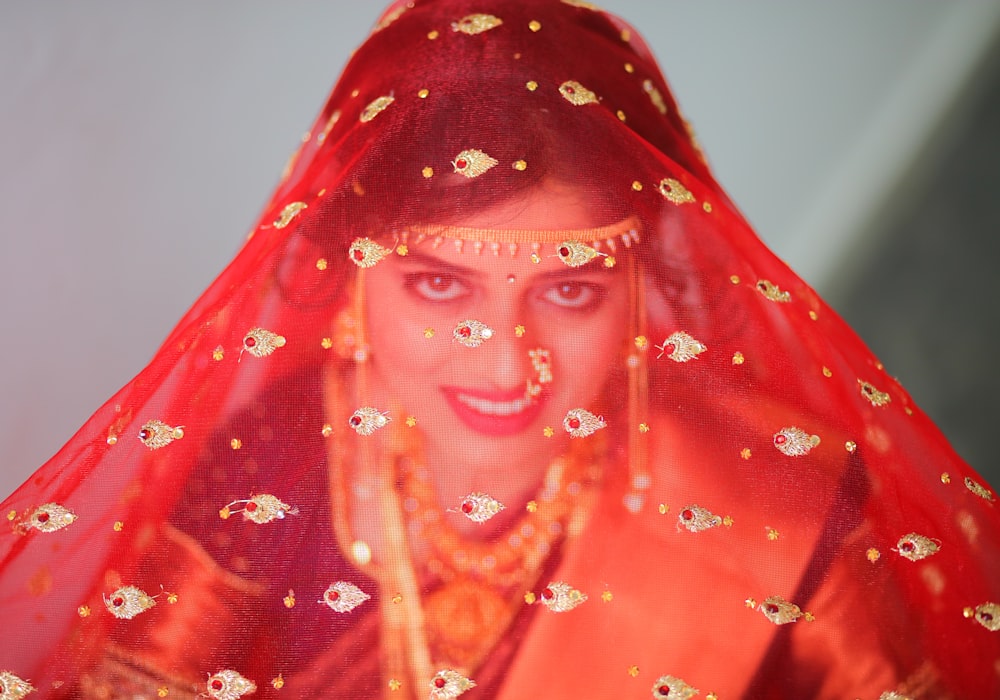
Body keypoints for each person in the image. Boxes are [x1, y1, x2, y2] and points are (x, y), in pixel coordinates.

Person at [1, 1, 998, 698]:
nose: (503, 362)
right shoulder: (264, 474)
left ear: (639, 279)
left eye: (568, 289)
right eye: (439, 284)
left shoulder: (779, 511)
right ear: (352, 273)